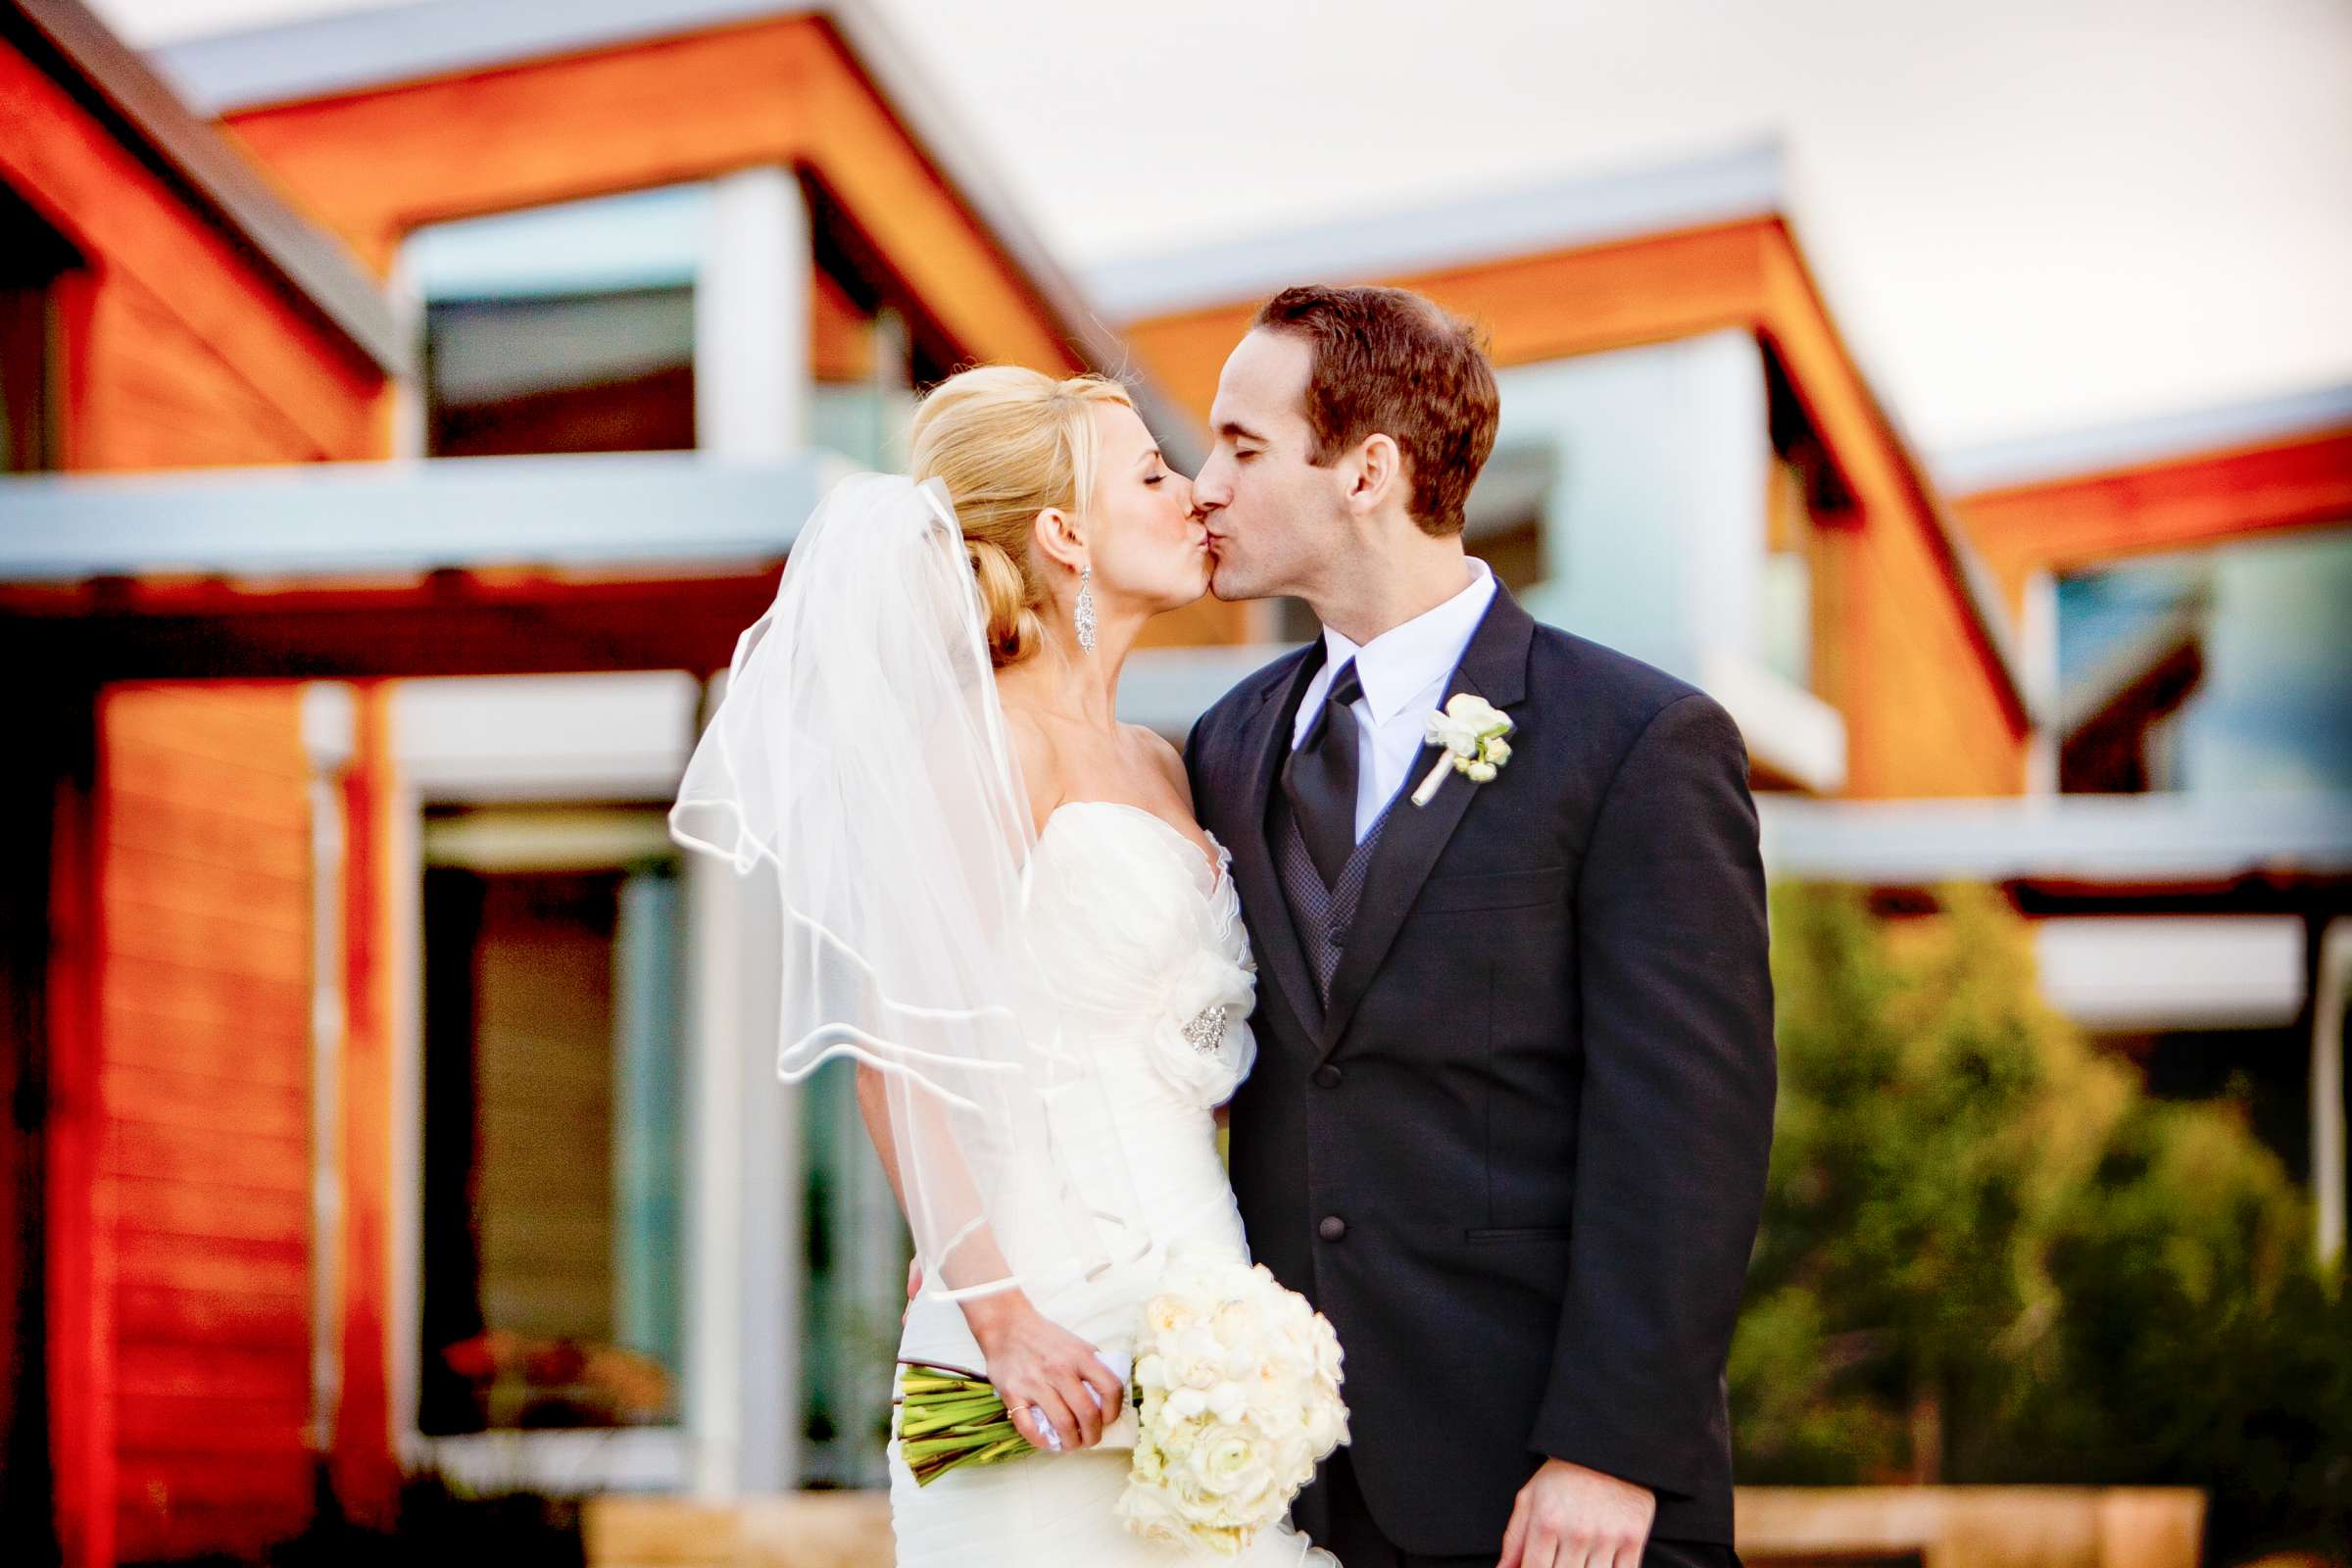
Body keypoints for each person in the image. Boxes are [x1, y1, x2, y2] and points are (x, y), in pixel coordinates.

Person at [671, 366, 1333, 1566]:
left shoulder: (1163, 764)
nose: (1193, 494)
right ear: (1063, 533)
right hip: (1041, 1337)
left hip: (1202, 1323)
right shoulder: (976, 748)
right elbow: (896, 1059)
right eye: (1151, 472)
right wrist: (1003, 1318)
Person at [1182, 285, 1778, 1568]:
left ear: (1369, 473)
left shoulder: (1636, 744)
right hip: (1287, 1488)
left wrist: (1613, 1448)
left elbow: (1690, 1132)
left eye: (1241, 446)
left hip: (1553, 1491)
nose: (1200, 485)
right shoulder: (1228, 745)